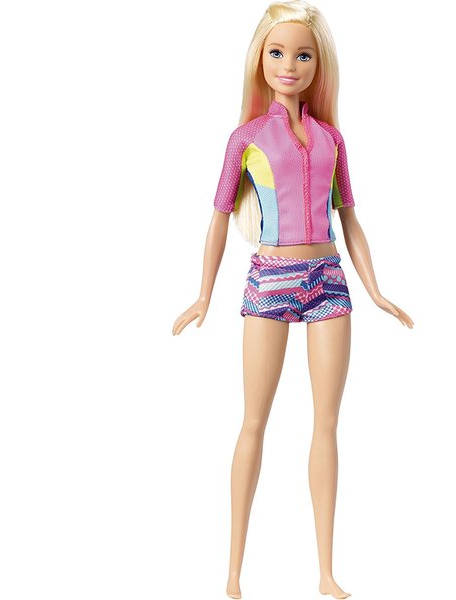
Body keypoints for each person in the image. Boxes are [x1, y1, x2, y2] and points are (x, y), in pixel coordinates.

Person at [172, 2, 414, 597]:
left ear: (318, 63)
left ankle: (326, 572)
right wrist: (202, 295)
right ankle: (233, 572)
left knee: (326, 423)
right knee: (254, 421)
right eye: (277, 52)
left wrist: (376, 290)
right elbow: (217, 216)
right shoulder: (246, 139)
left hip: (328, 279)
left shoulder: (333, 139)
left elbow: (349, 217)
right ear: (259, 58)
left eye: (303, 54)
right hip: (271, 278)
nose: (289, 64)